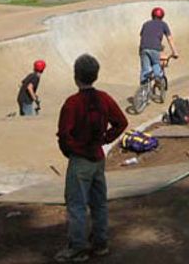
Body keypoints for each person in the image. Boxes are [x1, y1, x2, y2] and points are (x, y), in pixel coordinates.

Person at [55, 54, 128, 262]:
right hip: (97, 157)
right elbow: (121, 122)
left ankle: (78, 247)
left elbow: (64, 134)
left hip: (80, 159)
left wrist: (70, 151)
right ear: (95, 75)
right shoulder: (104, 98)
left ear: (76, 76)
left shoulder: (72, 103)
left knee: (77, 204)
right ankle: (100, 242)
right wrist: (106, 139)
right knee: (99, 202)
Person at [138, 7, 178, 87]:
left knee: (145, 69)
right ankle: (157, 77)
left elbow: (142, 37)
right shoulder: (163, 24)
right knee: (156, 63)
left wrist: (140, 51)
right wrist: (175, 52)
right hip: (155, 48)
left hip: (143, 48)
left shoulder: (146, 24)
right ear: (162, 16)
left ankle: (143, 88)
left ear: (152, 15)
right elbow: (169, 38)